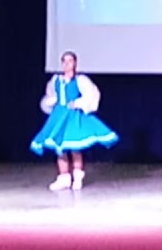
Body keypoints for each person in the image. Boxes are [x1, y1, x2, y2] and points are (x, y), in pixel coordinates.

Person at [31, 51, 118, 191]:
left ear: (75, 63)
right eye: (64, 61)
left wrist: (78, 103)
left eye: (70, 61)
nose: (67, 64)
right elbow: (51, 95)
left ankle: (77, 178)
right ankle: (64, 178)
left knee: (75, 147)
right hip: (59, 116)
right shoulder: (56, 80)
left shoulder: (80, 80)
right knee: (60, 147)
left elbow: (92, 94)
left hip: (73, 116)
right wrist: (53, 101)